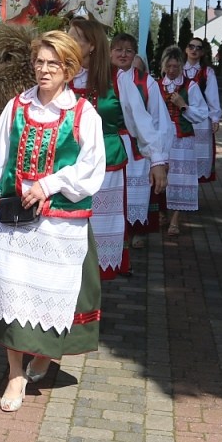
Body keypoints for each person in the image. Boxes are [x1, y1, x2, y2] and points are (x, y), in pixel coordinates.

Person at [0, 30, 105, 412]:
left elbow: (91, 168)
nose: (43, 70)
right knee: (11, 291)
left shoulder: (83, 114)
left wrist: (49, 184)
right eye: (39, 62)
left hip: (58, 225)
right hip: (13, 220)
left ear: (69, 70)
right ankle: (15, 375)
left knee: (49, 296)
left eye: (53, 64)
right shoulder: (17, 106)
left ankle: (45, 353)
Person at [67, 18, 167, 279]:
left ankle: (89, 299)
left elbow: (142, 121)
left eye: (75, 37)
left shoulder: (118, 79)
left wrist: (157, 161)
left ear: (91, 45)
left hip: (106, 167)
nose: (69, 42)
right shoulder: (60, 76)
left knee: (98, 235)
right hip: (64, 167)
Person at [110, 33, 172, 249]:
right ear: (110, 52)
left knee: (138, 192)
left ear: (135, 54)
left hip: (137, 145)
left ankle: (137, 231)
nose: (123, 54)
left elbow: (158, 119)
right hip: (110, 142)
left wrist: (160, 156)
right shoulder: (101, 78)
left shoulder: (146, 82)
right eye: (118, 49)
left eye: (128, 50)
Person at [158, 47, 208, 236]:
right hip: (162, 138)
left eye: (176, 66)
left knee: (181, 179)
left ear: (181, 67)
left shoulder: (190, 86)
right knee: (160, 175)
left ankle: (175, 219)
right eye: (168, 66)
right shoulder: (156, 85)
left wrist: (184, 106)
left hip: (183, 139)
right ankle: (161, 211)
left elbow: (202, 113)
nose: (172, 70)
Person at [182, 37, 221, 183]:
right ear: (186, 49)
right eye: (191, 46)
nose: (194, 50)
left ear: (202, 52)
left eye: (198, 48)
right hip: (181, 117)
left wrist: (215, 117)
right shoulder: (178, 69)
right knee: (182, 153)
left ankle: (193, 193)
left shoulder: (207, 72)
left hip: (201, 120)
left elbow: (212, 96)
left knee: (199, 154)